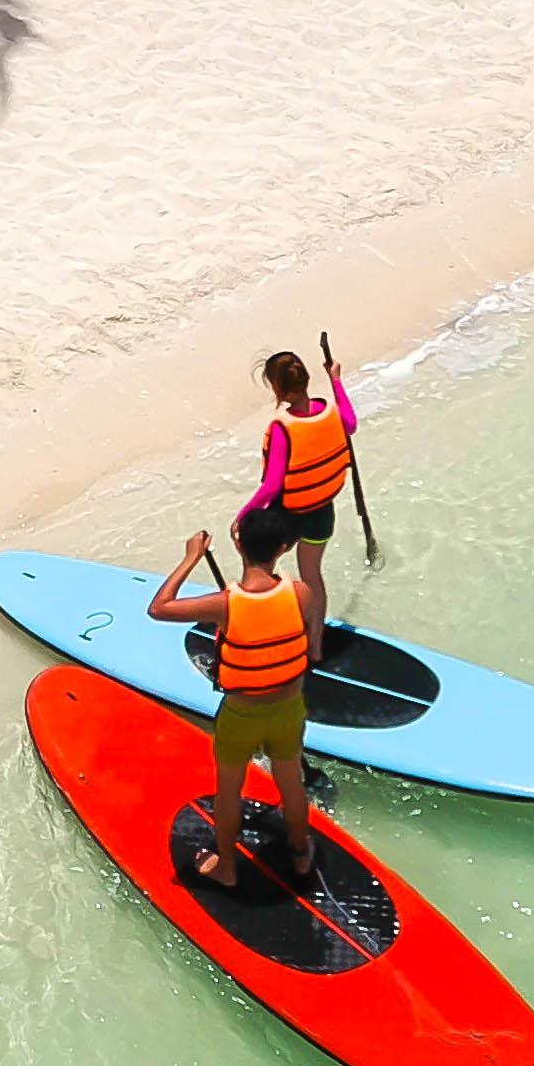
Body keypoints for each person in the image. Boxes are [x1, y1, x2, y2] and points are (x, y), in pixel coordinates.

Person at [147, 513, 318, 892]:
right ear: (284, 549)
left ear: (237, 544)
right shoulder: (302, 593)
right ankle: (301, 851)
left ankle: (227, 866)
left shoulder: (223, 604)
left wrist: (192, 557)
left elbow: (159, 608)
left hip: (242, 713)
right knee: (290, 782)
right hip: (289, 707)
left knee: (229, 789)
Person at [248, 347, 357, 661]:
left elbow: (271, 486)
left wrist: (244, 515)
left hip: (287, 516)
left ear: (277, 389)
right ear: (307, 379)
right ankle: (316, 646)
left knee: (258, 569)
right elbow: (350, 423)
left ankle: (262, 627)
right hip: (322, 512)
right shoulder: (330, 412)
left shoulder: (283, 428)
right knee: (312, 576)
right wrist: (335, 380)